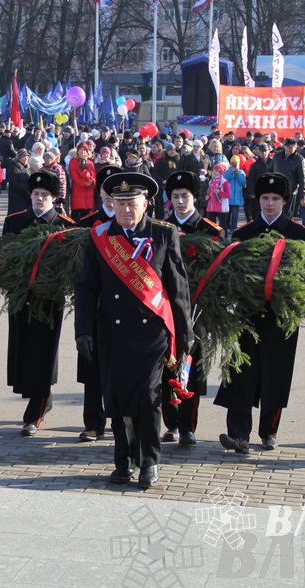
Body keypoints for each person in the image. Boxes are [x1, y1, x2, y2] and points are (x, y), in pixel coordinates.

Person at [74, 172, 192, 489]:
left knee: (149, 399)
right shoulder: (100, 237)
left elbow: (178, 288)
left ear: (146, 203)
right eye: (120, 203)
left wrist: (185, 334)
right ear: (112, 204)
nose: (126, 210)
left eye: (132, 203)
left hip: (152, 335)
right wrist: (82, 331)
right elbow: (85, 287)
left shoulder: (163, 234)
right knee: (117, 400)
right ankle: (123, 460)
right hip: (113, 334)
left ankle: (149, 461)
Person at [214, 173, 305, 453]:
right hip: (246, 315)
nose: (269, 204)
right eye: (265, 198)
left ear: (285, 201)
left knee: (275, 374)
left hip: (281, 317)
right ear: (257, 201)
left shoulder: (300, 236)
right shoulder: (243, 234)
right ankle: (238, 434)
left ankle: (269, 431)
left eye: (275, 199)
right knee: (240, 373)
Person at [3, 171, 76, 437]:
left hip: (48, 300)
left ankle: (35, 412)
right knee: (23, 350)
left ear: (54, 198)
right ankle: (42, 397)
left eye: (45, 195)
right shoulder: (14, 222)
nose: (39, 198)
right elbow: (3, 258)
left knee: (44, 352)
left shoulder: (65, 226)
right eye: (36, 194)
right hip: (20, 297)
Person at [161, 170, 222, 446]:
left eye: (184, 196)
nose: (180, 201)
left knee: (193, 368)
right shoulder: (161, 228)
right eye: (175, 196)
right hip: (165, 309)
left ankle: (188, 426)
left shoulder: (210, 230)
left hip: (197, 310)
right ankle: (171, 423)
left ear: (195, 197)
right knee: (167, 365)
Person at [75, 167, 120, 443]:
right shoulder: (87, 223)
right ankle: (93, 423)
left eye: (116, 190)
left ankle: (120, 421)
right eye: (106, 188)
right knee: (91, 368)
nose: (111, 195)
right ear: (99, 191)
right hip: (94, 307)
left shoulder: (135, 224)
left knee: (121, 368)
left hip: (123, 308)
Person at [271, 138, 305, 217]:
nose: (289, 149)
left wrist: (302, 196)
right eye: (287, 147)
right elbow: (270, 171)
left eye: (291, 147)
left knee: (286, 216)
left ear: (296, 147)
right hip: (276, 190)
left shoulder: (299, 159)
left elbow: (302, 179)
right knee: (274, 214)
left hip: (290, 192)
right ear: (284, 146)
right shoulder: (277, 156)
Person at [69, 143, 97, 221]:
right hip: (78, 192)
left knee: (88, 219)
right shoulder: (73, 161)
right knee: (77, 219)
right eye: (81, 149)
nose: (83, 151)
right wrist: (84, 183)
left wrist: (91, 181)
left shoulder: (90, 163)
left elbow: (93, 175)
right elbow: (74, 176)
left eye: (84, 150)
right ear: (77, 151)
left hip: (89, 194)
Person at [223, 156, 247, 234]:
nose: (234, 164)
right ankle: (226, 228)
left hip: (237, 198)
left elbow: (243, 182)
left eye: (236, 163)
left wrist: (237, 173)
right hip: (228, 197)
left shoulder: (241, 172)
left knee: (235, 215)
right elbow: (225, 179)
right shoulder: (227, 171)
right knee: (227, 215)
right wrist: (231, 172)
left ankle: (233, 229)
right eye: (233, 163)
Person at [7, 149, 32, 215]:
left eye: (27, 157)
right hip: (16, 197)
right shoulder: (13, 167)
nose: (26, 158)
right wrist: (27, 187)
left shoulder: (27, 168)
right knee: (16, 215)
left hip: (25, 196)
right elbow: (13, 183)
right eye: (24, 156)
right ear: (19, 158)